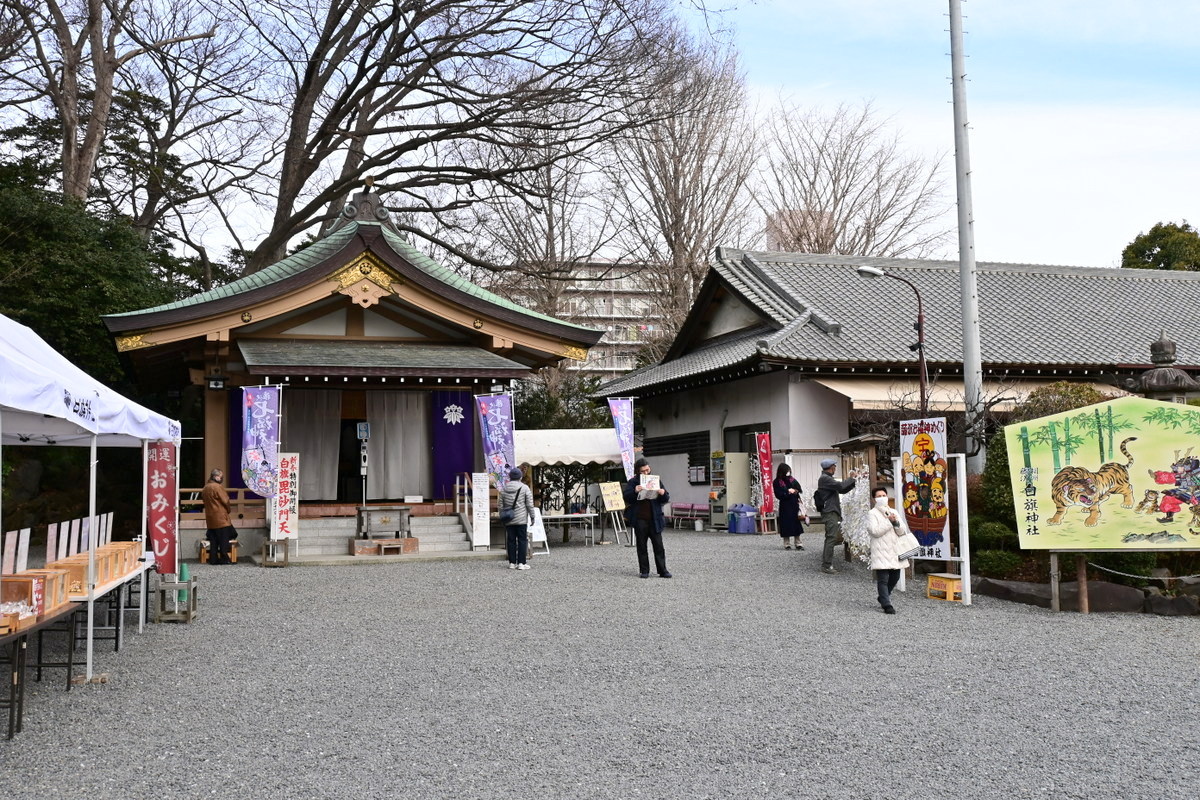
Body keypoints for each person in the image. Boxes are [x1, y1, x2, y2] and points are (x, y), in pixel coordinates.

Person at [623, 457, 672, 578]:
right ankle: (644, 570)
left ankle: (663, 570)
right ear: (637, 472)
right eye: (643, 471)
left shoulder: (655, 480)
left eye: (647, 470)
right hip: (640, 518)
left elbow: (666, 498)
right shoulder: (633, 481)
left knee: (659, 546)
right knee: (641, 545)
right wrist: (635, 490)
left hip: (655, 518)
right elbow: (626, 497)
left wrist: (662, 493)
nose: (646, 473)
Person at [867, 486, 911, 614]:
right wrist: (889, 522)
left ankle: (883, 597)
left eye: (883, 495)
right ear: (874, 499)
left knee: (895, 576)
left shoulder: (894, 511)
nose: (882, 498)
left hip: (894, 549)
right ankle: (887, 604)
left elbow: (902, 531)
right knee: (883, 578)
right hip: (881, 549)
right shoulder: (872, 514)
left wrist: (896, 522)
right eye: (878, 496)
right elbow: (874, 531)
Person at [815, 458, 855, 574]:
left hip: (831, 511)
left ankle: (827, 563)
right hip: (830, 512)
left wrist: (853, 482)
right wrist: (852, 478)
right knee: (831, 538)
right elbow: (841, 486)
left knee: (831, 537)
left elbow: (842, 490)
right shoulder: (825, 479)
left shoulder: (827, 479)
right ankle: (826, 565)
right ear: (832, 467)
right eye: (835, 467)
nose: (835, 468)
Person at [500, 467, 536, 570]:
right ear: (520, 477)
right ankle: (521, 563)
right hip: (521, 520)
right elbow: (529, 504)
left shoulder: (504, 489)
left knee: (510, 540)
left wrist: (502, 516)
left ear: (510, 477)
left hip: (508, 519)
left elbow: (500, 505)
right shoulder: (524, 488)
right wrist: (532, 516)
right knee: (522, 540)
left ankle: (512, 563)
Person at [201, 468, 238, 565]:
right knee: (224, 539)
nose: (222, 478)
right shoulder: (217, 487)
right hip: (220, 517)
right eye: (221, 476)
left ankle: (213, 559)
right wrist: (228, 510)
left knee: (214, 540)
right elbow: (225, 500)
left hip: (210, 517)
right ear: (216, 477)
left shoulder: (205, 488)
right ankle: (224, 558)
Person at [772, 462, 807, 550]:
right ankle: (786, 543)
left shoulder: (792, 479)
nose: (788, 472)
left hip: (794, 504)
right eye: (787, 470)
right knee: (785, 524)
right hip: (785, 505)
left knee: (796, 523)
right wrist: (787, 492)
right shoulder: (776, 482)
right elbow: (778, 494)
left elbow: (799, 489)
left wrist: (795, 491)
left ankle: (798, 543)